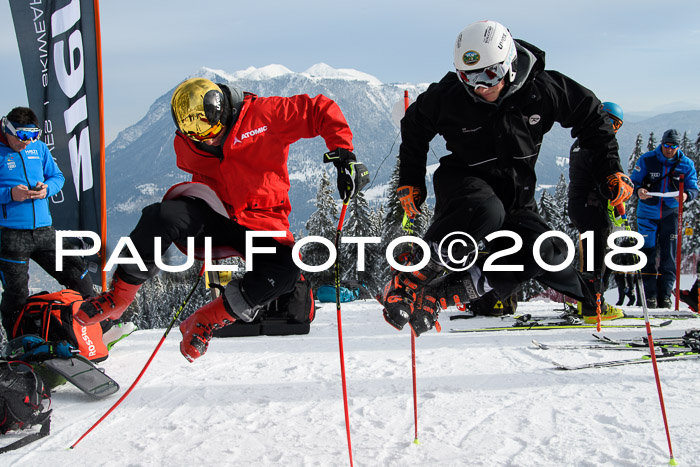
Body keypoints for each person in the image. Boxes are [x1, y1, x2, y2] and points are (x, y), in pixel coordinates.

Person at [74, 77, 368, 361]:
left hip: (261, 221)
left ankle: (206, 318)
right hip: (215, 214)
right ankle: (120, 296)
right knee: (159, 216)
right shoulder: (188, 142)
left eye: (210, 129)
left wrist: (343, 153)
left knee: (286, 270)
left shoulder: (264, 114)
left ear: (222, 109)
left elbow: (319, 108)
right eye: (198, 135)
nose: (208, 138)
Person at [378, 20, 633, 335]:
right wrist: (411, 180)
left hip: (516, 193)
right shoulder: (450, 95)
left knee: (547, 252)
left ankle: (438, 295)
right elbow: (414, 127)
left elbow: (592, 116)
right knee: (487, 209)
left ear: (509, 65)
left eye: (488, 74)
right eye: (468, 76)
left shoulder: (542, 90)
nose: (479, 86)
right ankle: (411, 274)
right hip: (463, 182)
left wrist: (611, 168)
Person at [0, 107, 94, 335]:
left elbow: (57, 177)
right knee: (16, 293)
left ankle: (96, 326)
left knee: (77, 272)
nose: (26, 143)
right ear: (7, 129)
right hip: (11, 235)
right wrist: (10, 194)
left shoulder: (38, 149)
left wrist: (46, 189)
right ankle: (19, 342)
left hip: (44, 230)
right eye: (22, 137)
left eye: (33, 137)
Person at [567, 102, 636, 306]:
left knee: (589, 257)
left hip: (578, 205)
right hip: (592, 206)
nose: (613, 129)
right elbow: (608, 182)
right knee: (597, 259)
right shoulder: (599, 145)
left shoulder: (580, 141)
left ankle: (587, 301)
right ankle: (594, 305)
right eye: (613, 124)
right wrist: (620, 189)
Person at [630, 129, 698, 309]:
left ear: (678, 146)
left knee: (669, 256)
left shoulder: (686, 164)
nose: (669, 149)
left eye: (673, 146)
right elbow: (633, 181)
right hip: (647, 214)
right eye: (667, 145)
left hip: (671, 214)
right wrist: (639, 191)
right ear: (662, 143)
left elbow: (693, 188)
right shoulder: (647, 159)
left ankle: (665, 296)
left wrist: (686, 196)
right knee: (647, 255)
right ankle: (649, 296)